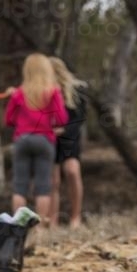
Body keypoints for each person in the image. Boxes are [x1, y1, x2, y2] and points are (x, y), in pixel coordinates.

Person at [3, 54, 68, 230]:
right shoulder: (52, 91)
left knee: (20, 186)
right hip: (44, 140)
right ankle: (40, 229)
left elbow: (8, 119)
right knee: (43, 186)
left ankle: (18, 227)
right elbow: (61, 118)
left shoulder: (18, 93)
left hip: (22, 140)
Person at [49, 57, 87, 229]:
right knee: (53, 180)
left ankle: (75, 217)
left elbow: (79, 118)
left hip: (70, 138)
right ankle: (53, 220)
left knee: (72, 171)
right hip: (49, 138)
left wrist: (64, 131)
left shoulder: (77, 89)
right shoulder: (44, 91)